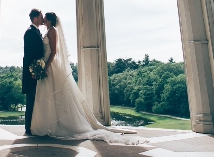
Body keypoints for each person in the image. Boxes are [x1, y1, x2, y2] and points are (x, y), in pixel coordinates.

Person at [30, 12, 146, 145]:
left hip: (51, 66)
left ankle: (58, 125)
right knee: (47, 94)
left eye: (44, 17)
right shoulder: (48, 31)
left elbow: (54, 52)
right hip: (47, 65)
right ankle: (49, 124)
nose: (43, 19)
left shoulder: (52, 31)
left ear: (49, 20)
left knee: (55, 94)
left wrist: (46, 67)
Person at [22, 8, 44, 136]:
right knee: (31, 99)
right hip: (32, 72)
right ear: (35, 18)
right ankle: (28, 128)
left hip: (37, 70)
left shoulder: (36, 32)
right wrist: (33, 70)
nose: (42, 19)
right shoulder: (30, 32)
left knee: (36, 99)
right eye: (41, 17)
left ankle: (34, 125)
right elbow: (29, 54)